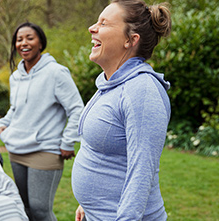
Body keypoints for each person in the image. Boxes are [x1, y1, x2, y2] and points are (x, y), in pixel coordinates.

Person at [71, 0, 172, 220]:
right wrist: (88, 204)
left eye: (104, 23)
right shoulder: (112, 85)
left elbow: (141, 172)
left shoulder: (142, 90)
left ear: (130, 40)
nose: (92, 28)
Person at [0, 22, 84, 220]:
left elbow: (77, 109)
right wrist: (2, 126)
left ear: (41, 43)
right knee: (24, 208)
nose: (23, 43)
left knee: (40, 210)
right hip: (17, 150)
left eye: (30, 38)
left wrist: (68, 142)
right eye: (19, 39)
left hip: (46, 150)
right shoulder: (15, 77)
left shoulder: (56, 72)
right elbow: (16, 109)